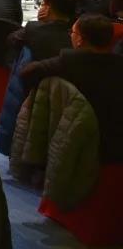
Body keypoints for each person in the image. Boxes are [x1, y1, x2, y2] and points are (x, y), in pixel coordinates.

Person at [20, 14, 123, 162]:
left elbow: (27, 73)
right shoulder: (118, 64)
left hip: (73, 140)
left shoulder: (68, 62)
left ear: (79, 39)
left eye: (72, 32)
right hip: (115, 140)